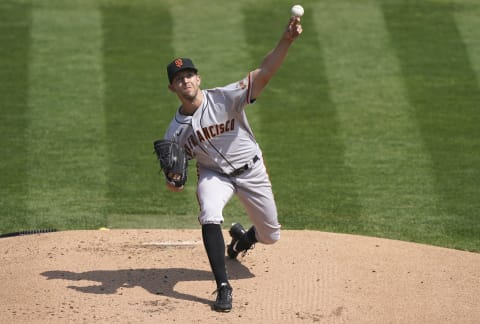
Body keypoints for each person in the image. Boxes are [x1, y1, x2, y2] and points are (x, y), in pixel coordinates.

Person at [162, 16, 302, 312]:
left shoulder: (226, 97)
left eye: (188, 75)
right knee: (209, 213)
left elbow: (265, 72)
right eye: (178, 79)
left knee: (271, 236)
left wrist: (286, 40)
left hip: (252, 170)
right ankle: (223, 287)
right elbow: (173, 180)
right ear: (172, 88)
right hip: (214, 176)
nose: (184, 80)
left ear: (198, 78)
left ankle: (242, 240)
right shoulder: (173, 132)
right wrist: (174, 181)